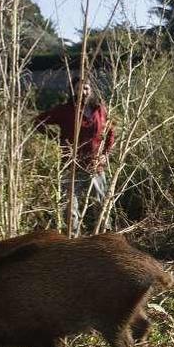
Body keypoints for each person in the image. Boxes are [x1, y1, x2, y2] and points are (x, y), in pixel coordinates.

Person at [35, 78, 115, 235]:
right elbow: (38, 121)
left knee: (101, 205)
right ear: (73, 91)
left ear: (91, 90)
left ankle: (105, 238)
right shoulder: (65, 111)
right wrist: (54, 137)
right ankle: (74, 241)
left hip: (94, 165)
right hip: (71, 166)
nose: (83, 92)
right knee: (70, 209)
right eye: (79, 89)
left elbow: (111, 131)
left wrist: (105, 153)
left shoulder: (100, 110)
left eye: (86, 88)